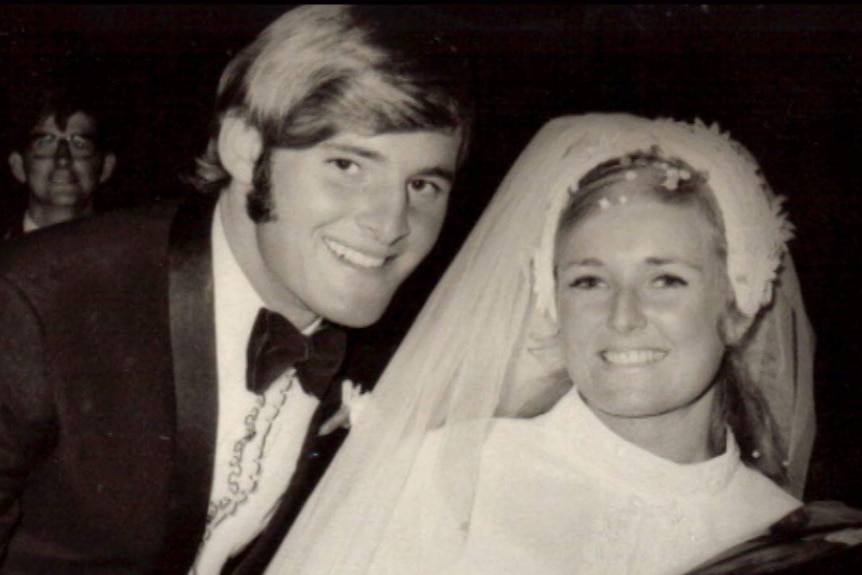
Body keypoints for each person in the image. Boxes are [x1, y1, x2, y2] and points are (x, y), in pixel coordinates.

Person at [0, 5, 472, 574]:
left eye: (422, 184)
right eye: (348, 165)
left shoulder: (407, 351)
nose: (392, 223)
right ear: (246, 151)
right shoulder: (38, 301)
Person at [265, 113, 817, 574]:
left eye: (665, 280)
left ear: (739, 307)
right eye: (589, 281)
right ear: (553, 301)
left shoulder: (780, 528)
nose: (623, 318)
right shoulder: (449, 475)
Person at [2, 84, 117, 239]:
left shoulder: (141, 254)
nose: (63, 159)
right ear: (18, 166)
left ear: (106, 167)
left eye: (79, 144)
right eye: (45, 143)